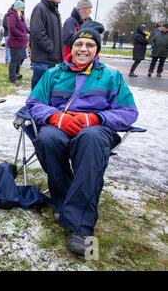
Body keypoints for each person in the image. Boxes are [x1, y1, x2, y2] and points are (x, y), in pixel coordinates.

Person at [26, 21, 139, 256]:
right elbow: (34, 103)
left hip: (96, 130)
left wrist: (95, 118)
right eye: (79, 44)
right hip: (60, 126)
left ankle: (82, 226)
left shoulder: (111, 76)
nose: (83, 49)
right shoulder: (53, 74)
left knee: (90, 139)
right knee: (47, 139)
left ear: (97, 50)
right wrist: (56, 117)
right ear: (71, 48)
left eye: (89, 45)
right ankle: (65, 200)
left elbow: (129, 112)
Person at [30, 0, 64, 89]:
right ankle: (34, 106)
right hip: (42, 60)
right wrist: (50, 47)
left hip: (50, 59)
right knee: (39, 91)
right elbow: (37, 32)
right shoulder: (40, 8)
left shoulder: (53, 11)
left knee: (46, 90)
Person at [7, 0, 28, 84]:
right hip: (14, 42)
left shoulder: (20, 16)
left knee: (18, 60)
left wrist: (28, 32)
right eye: (22, 8)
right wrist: (22, 35)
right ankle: (12, 78)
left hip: (20, 42)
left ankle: (16, 75)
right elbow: (12, 28)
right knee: (14, 60)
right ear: (18, 8)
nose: (23, 10)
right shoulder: (12, 15)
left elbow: (24, 27)